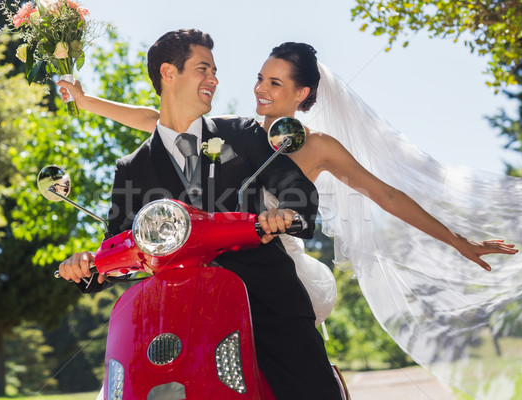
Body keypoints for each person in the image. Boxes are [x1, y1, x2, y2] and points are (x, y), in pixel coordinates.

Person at [58, 41, 522, 397]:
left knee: (294, 355)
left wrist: (459, 241)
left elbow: (384, 194)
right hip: (199, 271)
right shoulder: (233, 130)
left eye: (276, 83)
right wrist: (86, 101)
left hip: (272, 253)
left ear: (302, 93)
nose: (261, 90)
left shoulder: (312, 145)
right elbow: (155, 119)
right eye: (260, 79)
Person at [58, 30, 344, 399]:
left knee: (313, 390)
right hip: (180, 314)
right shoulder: (132, 168)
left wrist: (285, 214)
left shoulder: (241, 133)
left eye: (214, 71)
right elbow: (120, 248)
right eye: (203, 69)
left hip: (266, 302)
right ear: (169, 73)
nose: (214, 80)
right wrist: (86, 266)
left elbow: (296, 189)